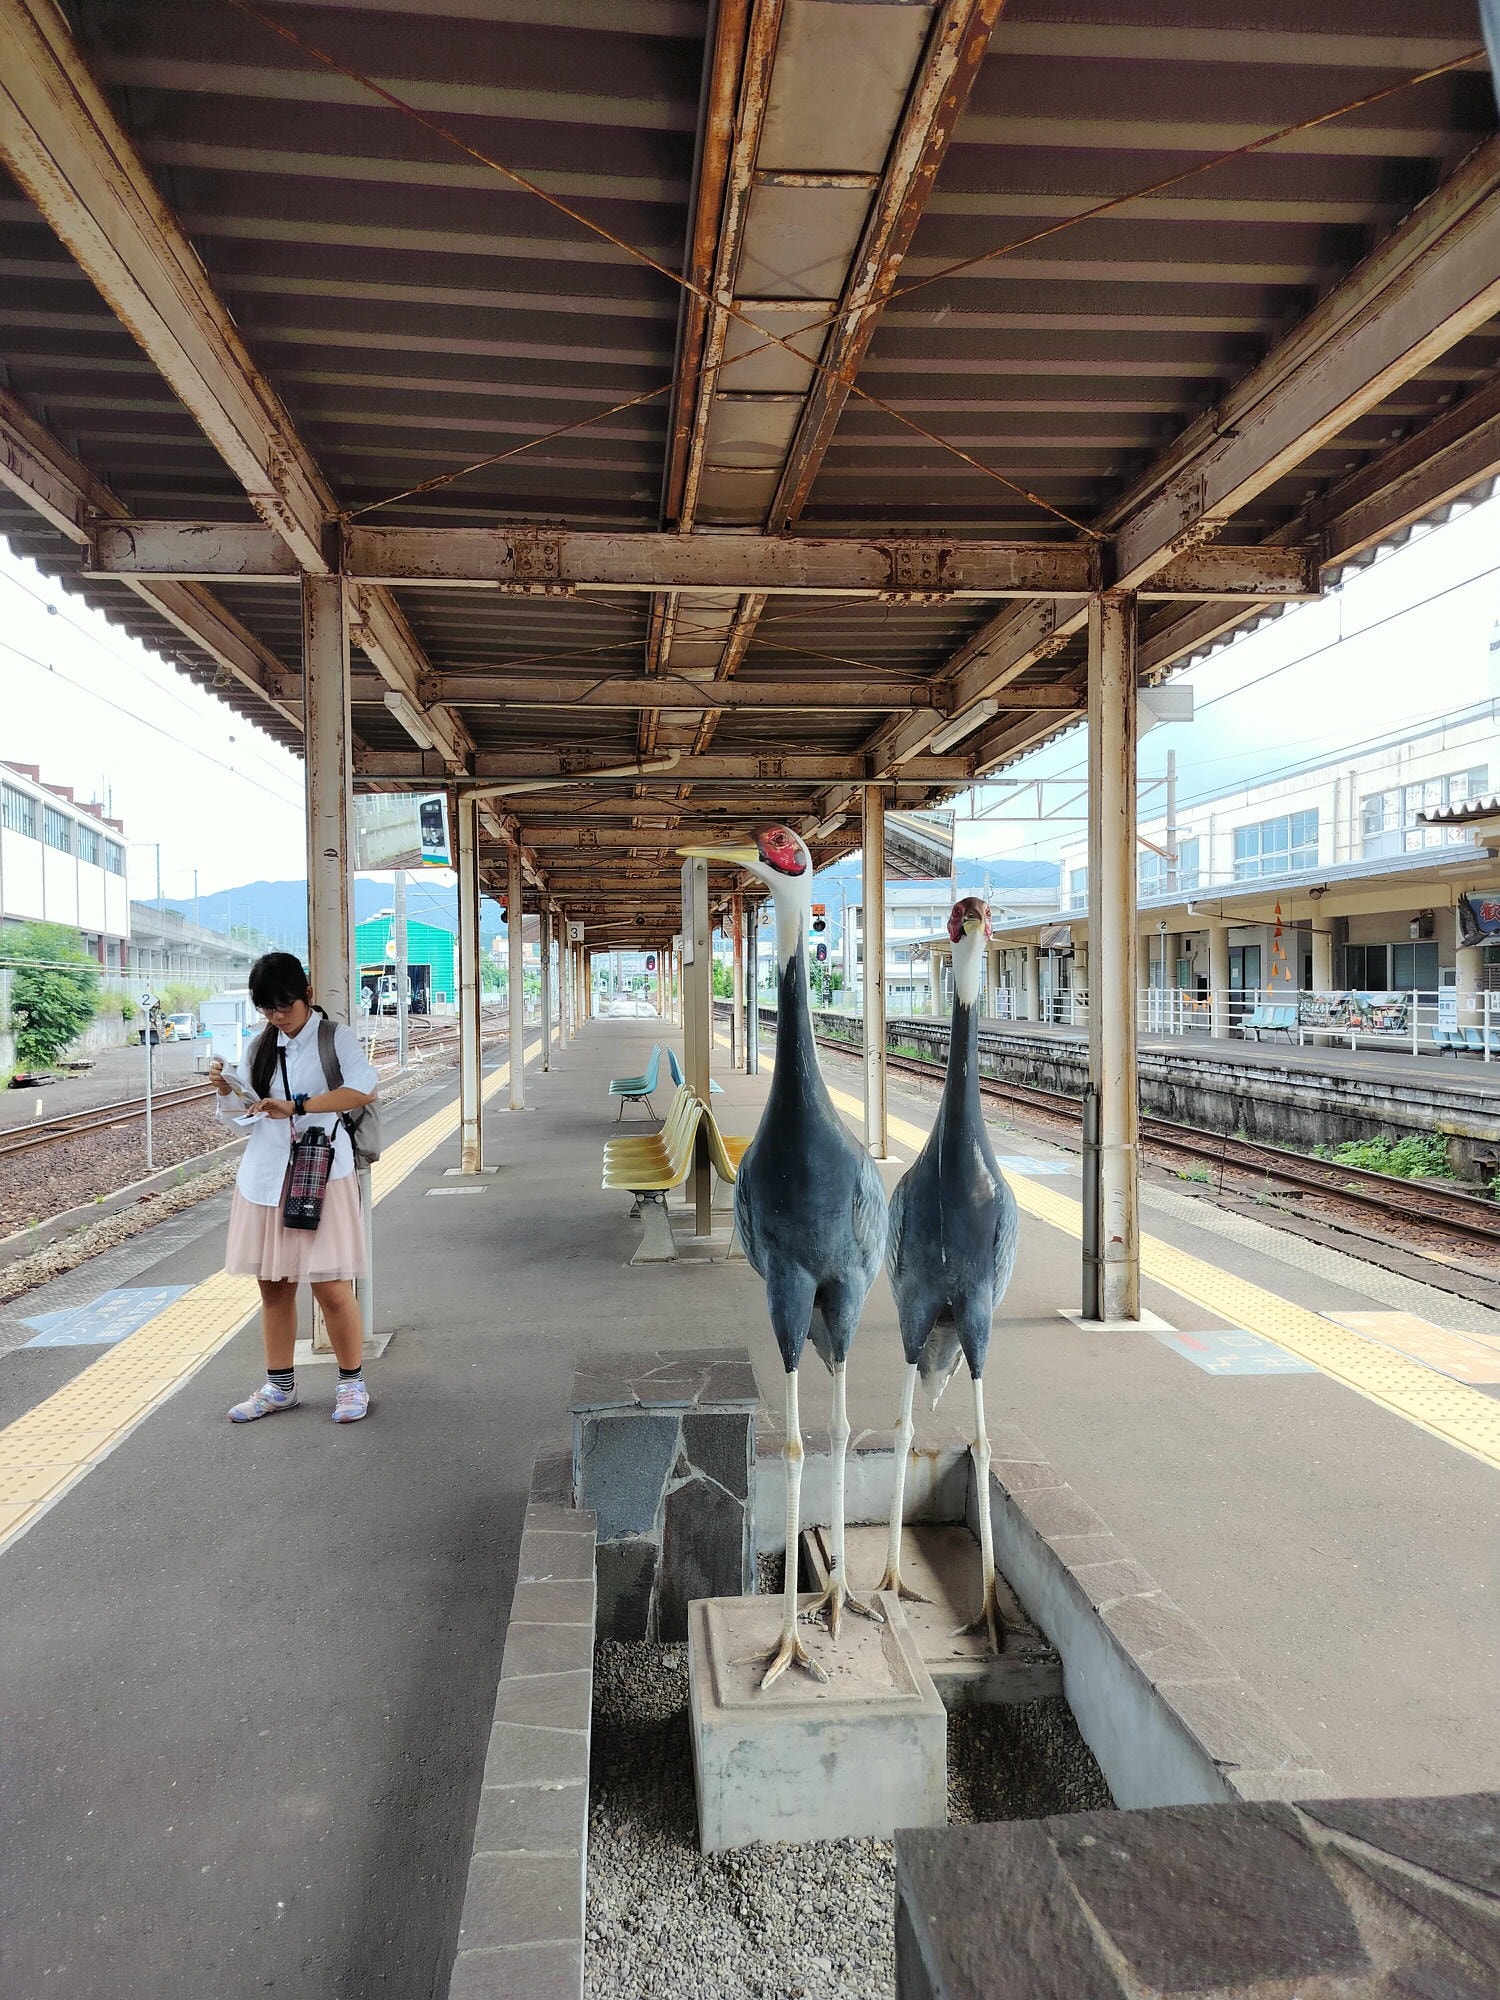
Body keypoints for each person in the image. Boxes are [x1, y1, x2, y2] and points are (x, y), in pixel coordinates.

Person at [210, 952, 380, 1424]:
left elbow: (364, 1087)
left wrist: (298, 1106)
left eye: (284, 1006)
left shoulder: (335, 1038)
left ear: (307, 994)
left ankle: (352, 1383)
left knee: (330, 1286)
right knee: (274, 1288)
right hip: (265, 1179)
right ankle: (280, 1386)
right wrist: (229, 1094)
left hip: (323, 1172)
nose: (277, 1018)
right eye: (267, 1010)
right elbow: (243, 1121)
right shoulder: (259, 1046)